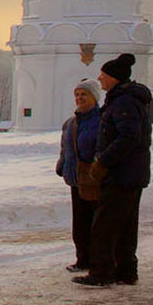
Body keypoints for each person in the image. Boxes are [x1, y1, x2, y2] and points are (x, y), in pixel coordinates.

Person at [74, 52, 153, 287]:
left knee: (104, 226)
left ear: (115, 78)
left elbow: (128, 137)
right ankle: (126, 271)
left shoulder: (123, 102)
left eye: (104, 75)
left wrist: (103, 162)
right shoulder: (124, 99)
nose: (100, 79)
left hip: (122, 174)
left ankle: (102, 272)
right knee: (126, 226)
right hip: (131, 173)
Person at [55, 79, 103, 273]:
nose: (80, 98)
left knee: (95, 222)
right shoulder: (71, 123)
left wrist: (96, 168)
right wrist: (62, 165)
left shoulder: (101, 120)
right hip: (75, 178)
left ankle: (97, 261)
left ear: (94, 97)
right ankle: (82, 258)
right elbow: (64, 147)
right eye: (77, 94)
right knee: (80, 223)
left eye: (84, 94)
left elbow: (101, 147)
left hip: (92, 179)